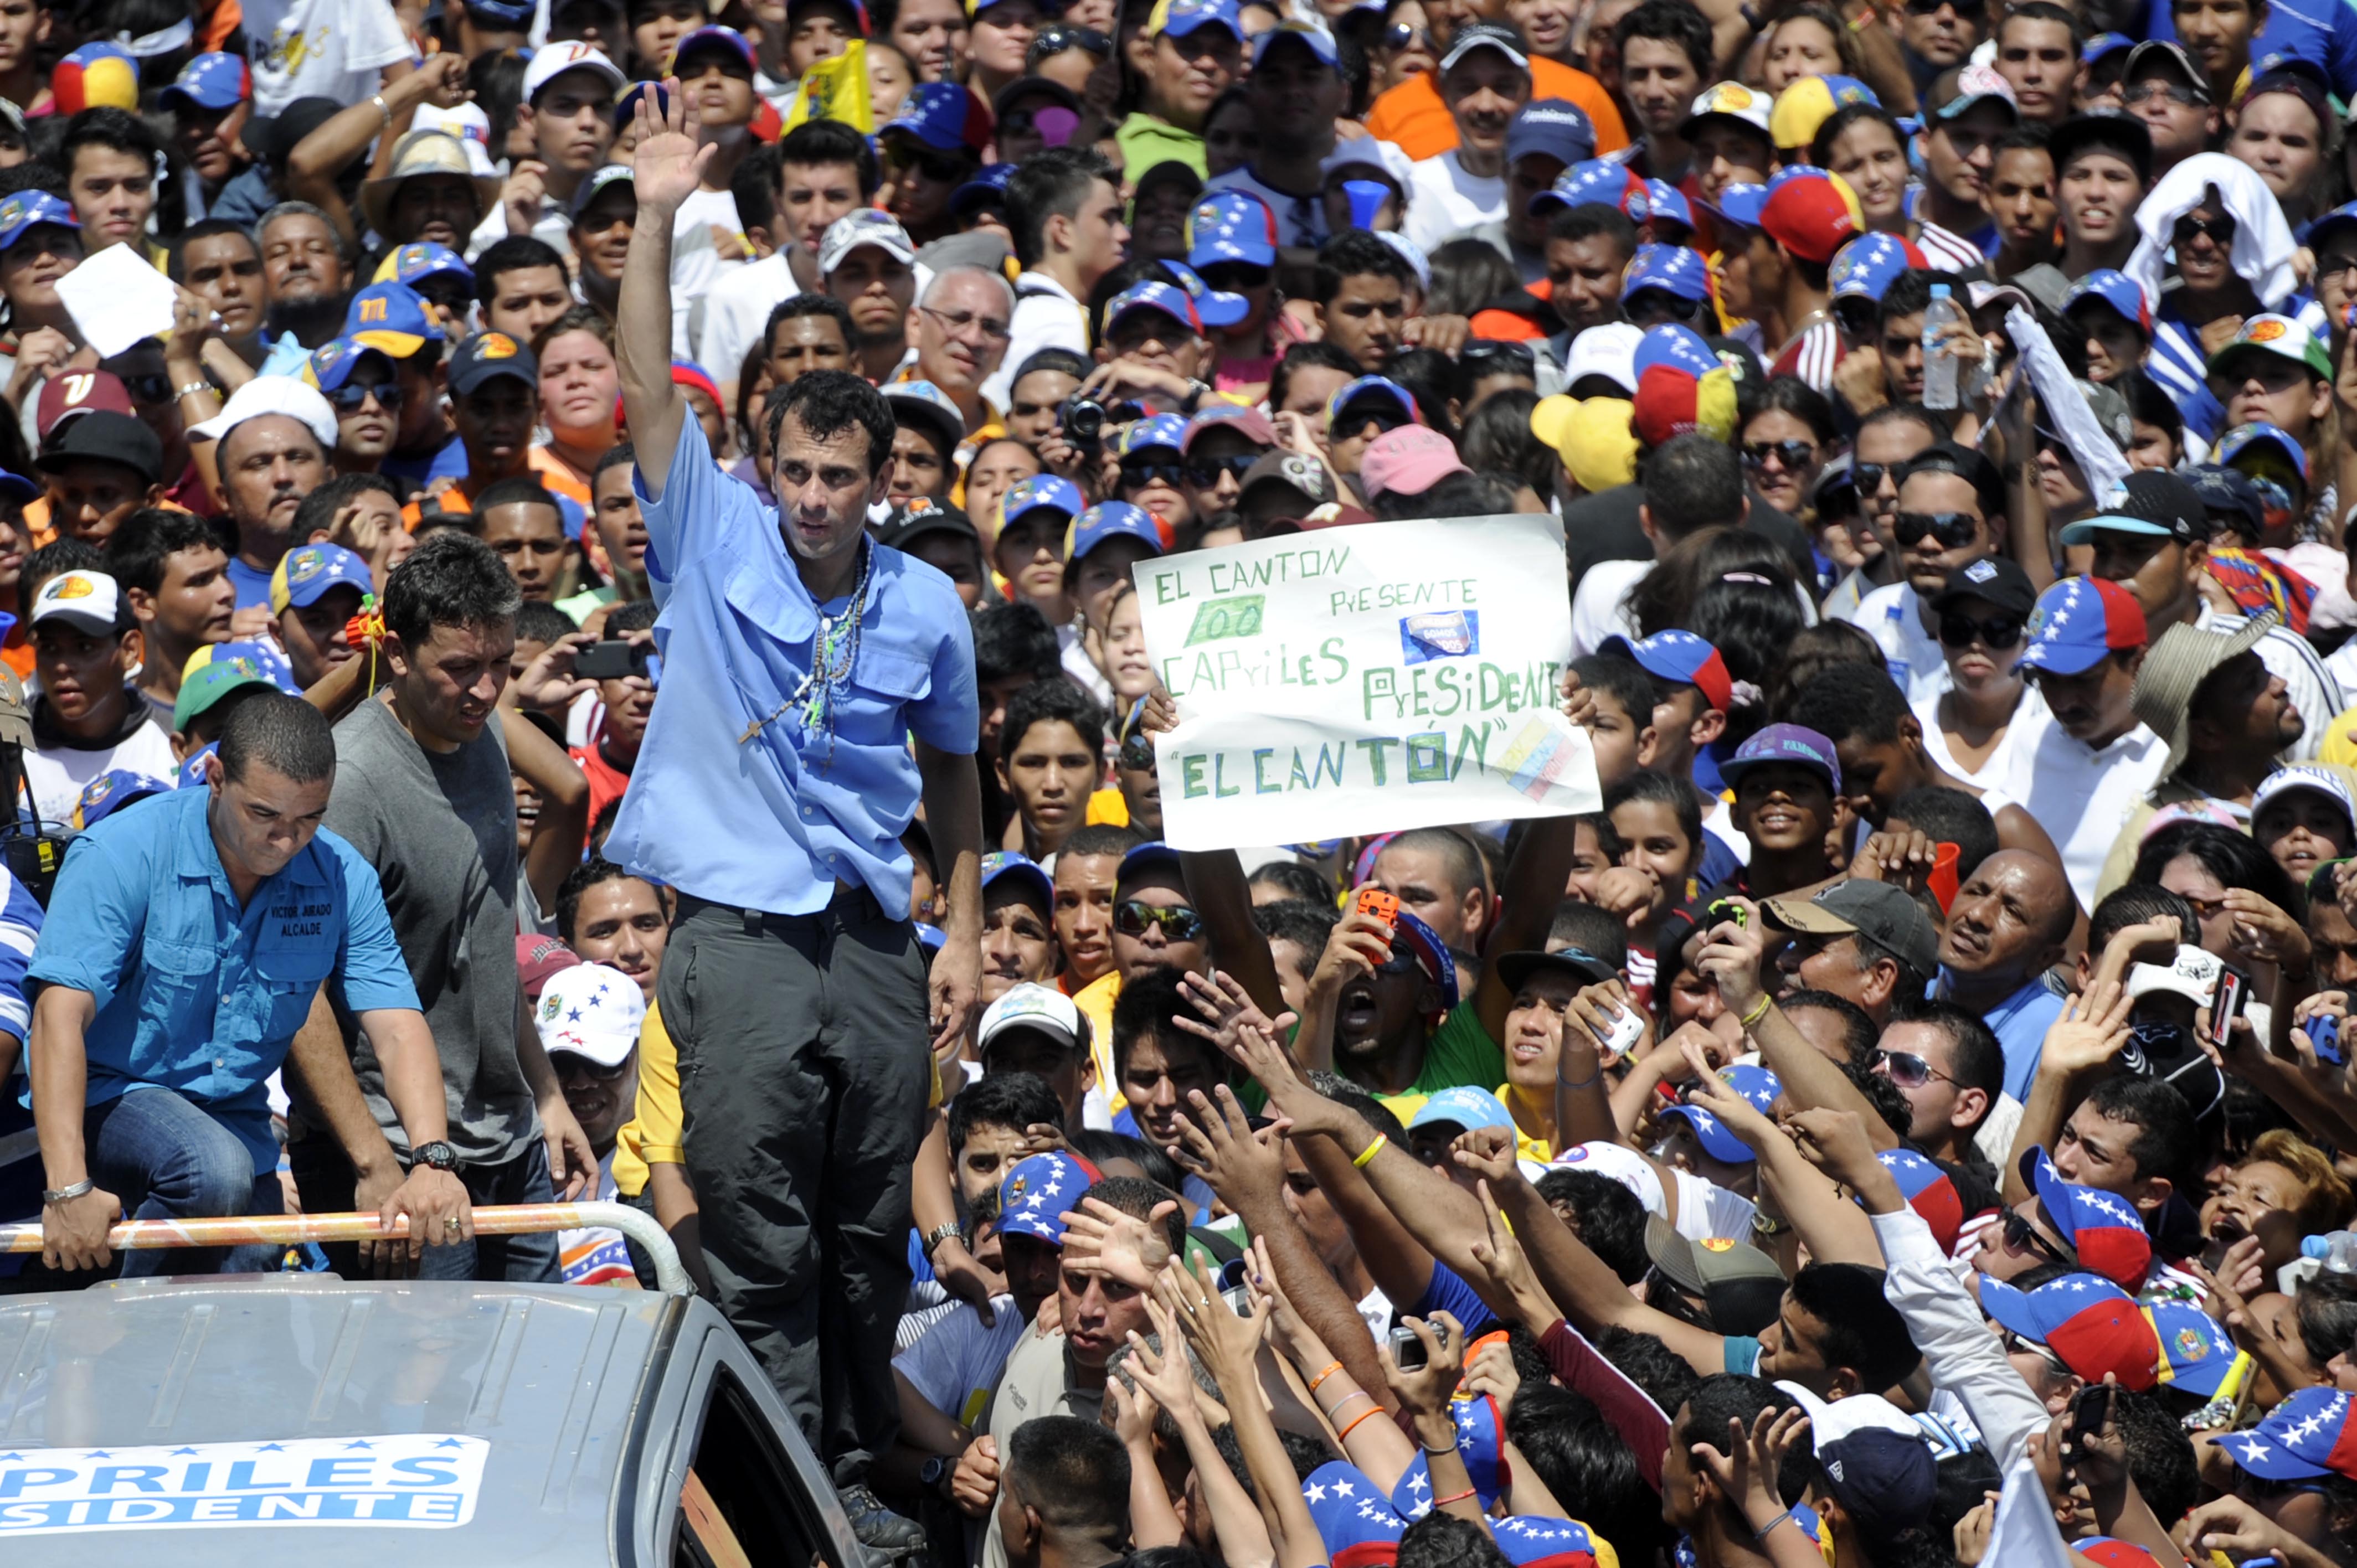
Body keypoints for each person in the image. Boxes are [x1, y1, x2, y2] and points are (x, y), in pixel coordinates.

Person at [615, 86, 982, 1551]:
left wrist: (954, 926)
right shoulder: (709, 535)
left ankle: (842, 1454)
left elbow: (955, 769)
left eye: (847, 477)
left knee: (865, 1230)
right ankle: (798, 1492)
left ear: (886, 482)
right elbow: (649, 391)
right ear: (761, 468)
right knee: (758, 1230)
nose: (819, 498)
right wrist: (652, 213)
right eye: (799, 473)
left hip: (876, 945)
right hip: (742, 941)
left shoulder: (928, 598)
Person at [25, 692, 469, 1278]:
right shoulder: (121, 851)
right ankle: (106, 1329)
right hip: (108, 1100)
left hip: (236, 1121)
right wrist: (67, 1189)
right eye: (264, 815)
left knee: (252, 1258)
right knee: (213, 1172)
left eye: (309, 818)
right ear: (214, 777)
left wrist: (432, 1159)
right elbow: (57, 1017)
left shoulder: (341, 875)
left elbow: (396, 1027)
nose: (286, 841)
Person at [285, 530, 595, 1286]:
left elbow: (485, 944)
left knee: (532, 1381)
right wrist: (375, 1163)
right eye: (460, 668)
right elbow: (298, 995)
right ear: (393, 654)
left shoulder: (485, 734)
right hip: (394, 1159)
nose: (487, 691)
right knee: (424, 1396)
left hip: (507, 1138)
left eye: (500, 666)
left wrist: (547, 1096)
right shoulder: (350, 785)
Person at [20, 566, 179, 822]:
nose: (63, 666)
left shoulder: (173, 741)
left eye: (84, 647)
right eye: (49, 648)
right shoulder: (10, 744)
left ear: (129, 651)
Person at [189, 377, 337, 611]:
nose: (282, 476)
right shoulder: (201, 605)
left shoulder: (379, 572)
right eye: (259, 464)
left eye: (298, 458)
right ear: (224, 498)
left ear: (331, 478)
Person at [106, 508, 235, 734]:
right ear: (143, 604)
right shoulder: (114, 720)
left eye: (225, 573)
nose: (226, 592)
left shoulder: (259, 690)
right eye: (201, 580)